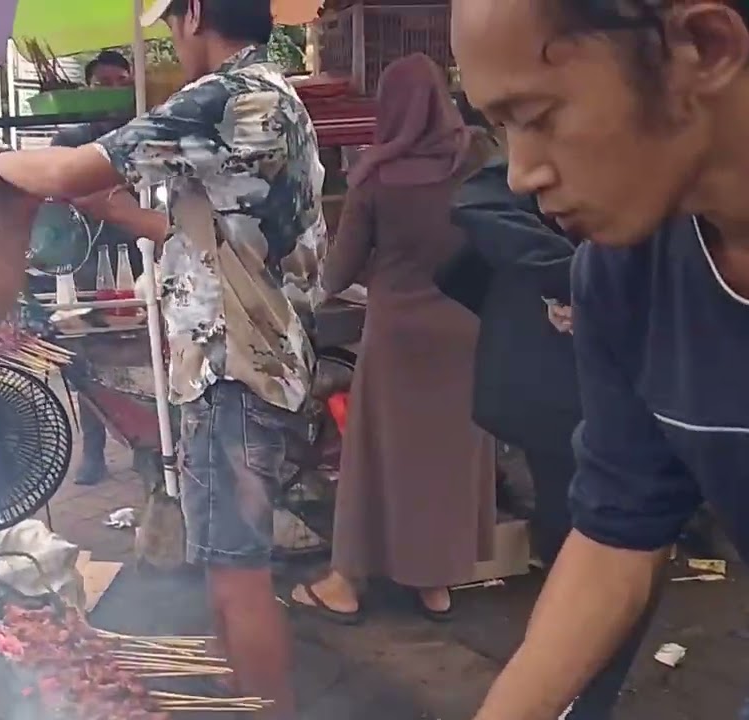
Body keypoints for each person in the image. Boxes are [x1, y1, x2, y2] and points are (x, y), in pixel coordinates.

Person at [0, 0, 327, 712]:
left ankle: (266, 704)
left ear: (194, 11)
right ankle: (240, 692)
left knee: (238, 573)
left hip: (235, 371)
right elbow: (195, 231)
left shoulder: (224, 96)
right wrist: (111, 210)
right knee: (227, 563)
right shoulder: (275, 93)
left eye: (168, 21)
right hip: (241, 364)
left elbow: (68, 170)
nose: (167, 36)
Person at [451, 1, 749, 718]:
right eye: (501, 126)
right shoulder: (625, 274)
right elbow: (618, 534)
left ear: (705, 48)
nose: (519, 175)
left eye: (540, 115)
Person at [438, 112, 655, 719]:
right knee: (588, 538)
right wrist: (579, 278)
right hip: (566, 398)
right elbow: (484, 201)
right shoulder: (557, 155)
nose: (527, 163)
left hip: (602, 400)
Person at [289, 53, 496, 624]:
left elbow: (337, 271)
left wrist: (361, 273)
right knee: (447, 461)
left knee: (378, 457)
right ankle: (434, 585)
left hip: (397, 336)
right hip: (465, 330)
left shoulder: (376, 176)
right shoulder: (478, 158)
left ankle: (346, 582)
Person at [49, 50, 144, 486]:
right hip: (83, 259)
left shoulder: (145, 131)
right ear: (85, 89)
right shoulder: (69, 138)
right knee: (83, 355)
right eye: (101, 83)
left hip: (138, 254)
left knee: (143, 351)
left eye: (120, 81)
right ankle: (93, 450)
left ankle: (147, 442)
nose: (111, 90)